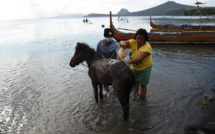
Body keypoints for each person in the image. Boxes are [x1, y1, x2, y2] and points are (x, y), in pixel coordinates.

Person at [119, 28, 152, 98]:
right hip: (135, 68)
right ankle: (135, 96)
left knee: (143, 85)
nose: (139, 40)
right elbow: (122, 42)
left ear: (145, 39)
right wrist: (123, 44)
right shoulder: (133, 42)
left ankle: (142, 100)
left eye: (141, 39)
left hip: (145, 68)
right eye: (137, 38)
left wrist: (129, 61)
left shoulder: (147, 47)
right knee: (135, 82)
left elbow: (139, 58)